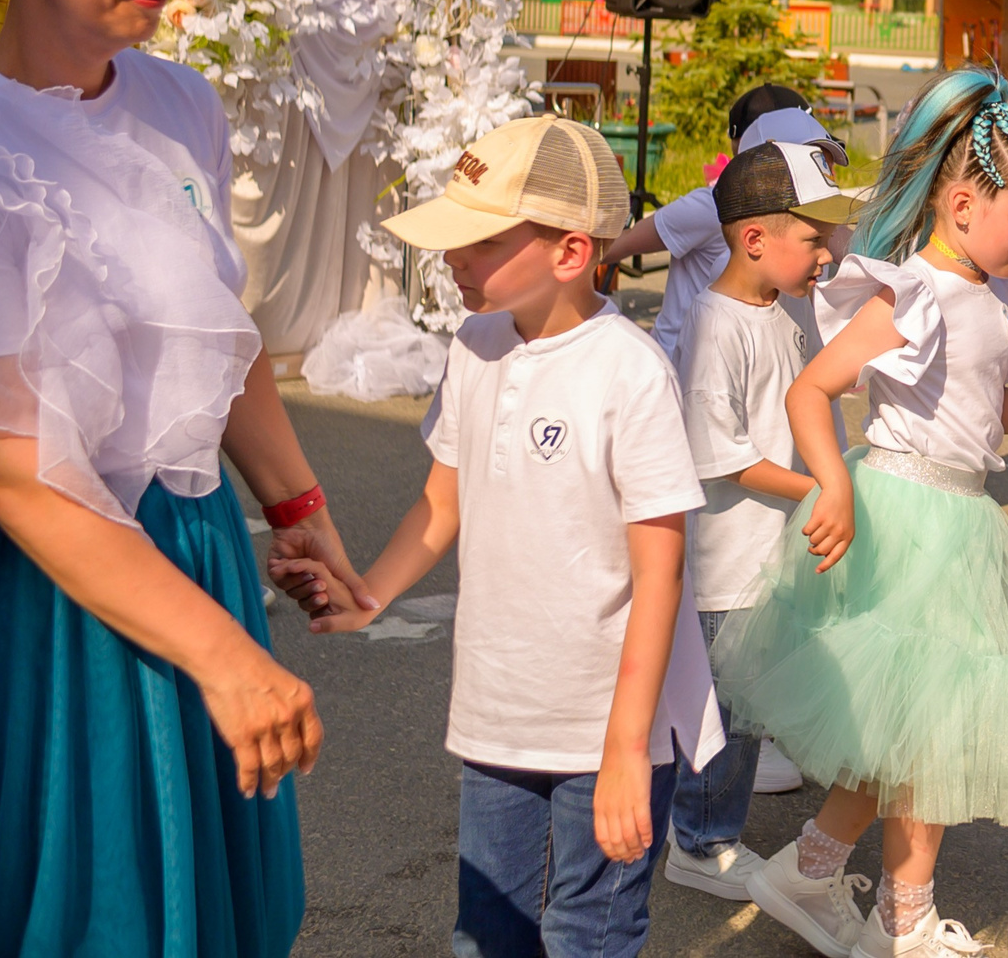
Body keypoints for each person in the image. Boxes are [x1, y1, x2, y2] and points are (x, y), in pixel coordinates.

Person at [0, 0, 370, 956]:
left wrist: (298, 503)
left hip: (191, 549)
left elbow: (214, 334)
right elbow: (0, 466)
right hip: (38, 588)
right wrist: (224, 655)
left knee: (206, 911)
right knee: (78, 910)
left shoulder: (183, 104)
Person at [282, 117, 725, 958]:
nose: (454, 259)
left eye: (478, 240)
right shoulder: (476, 343)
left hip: (611, 722)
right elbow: (440, 503)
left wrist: (629, 747)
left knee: (588, 933)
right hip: (499, 709)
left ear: (569, 252)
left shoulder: (631, 371)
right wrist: (366, 595)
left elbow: (659, 573)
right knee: (486, 930)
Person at [720, 71, 1008, 958]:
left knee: (910, 736)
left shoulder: (983, 296)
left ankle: (812, 870)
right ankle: (904, 919)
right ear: (962, 204)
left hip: (957, 512)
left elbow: (962, 401)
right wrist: (832, 484)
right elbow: (815, 389)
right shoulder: (914, 291)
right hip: (912, 516)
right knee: (929, 737)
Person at [663, 139, 861, 897]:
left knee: (752, 698)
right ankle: (701, 839)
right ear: (754, 239)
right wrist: (821, 488)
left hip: (772, 546)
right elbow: (725, 455)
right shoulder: (714, 325)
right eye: (813, 238)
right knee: (730, 709)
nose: (826, 254)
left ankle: (712, 822)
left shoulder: (783, 308)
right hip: (730, 555)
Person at [602, 84, 849, 360]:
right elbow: (614, 248)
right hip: (681, 362)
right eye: (810, 160)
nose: (825, 173)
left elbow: (865, 250)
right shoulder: (710, 206)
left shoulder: (817, 225)